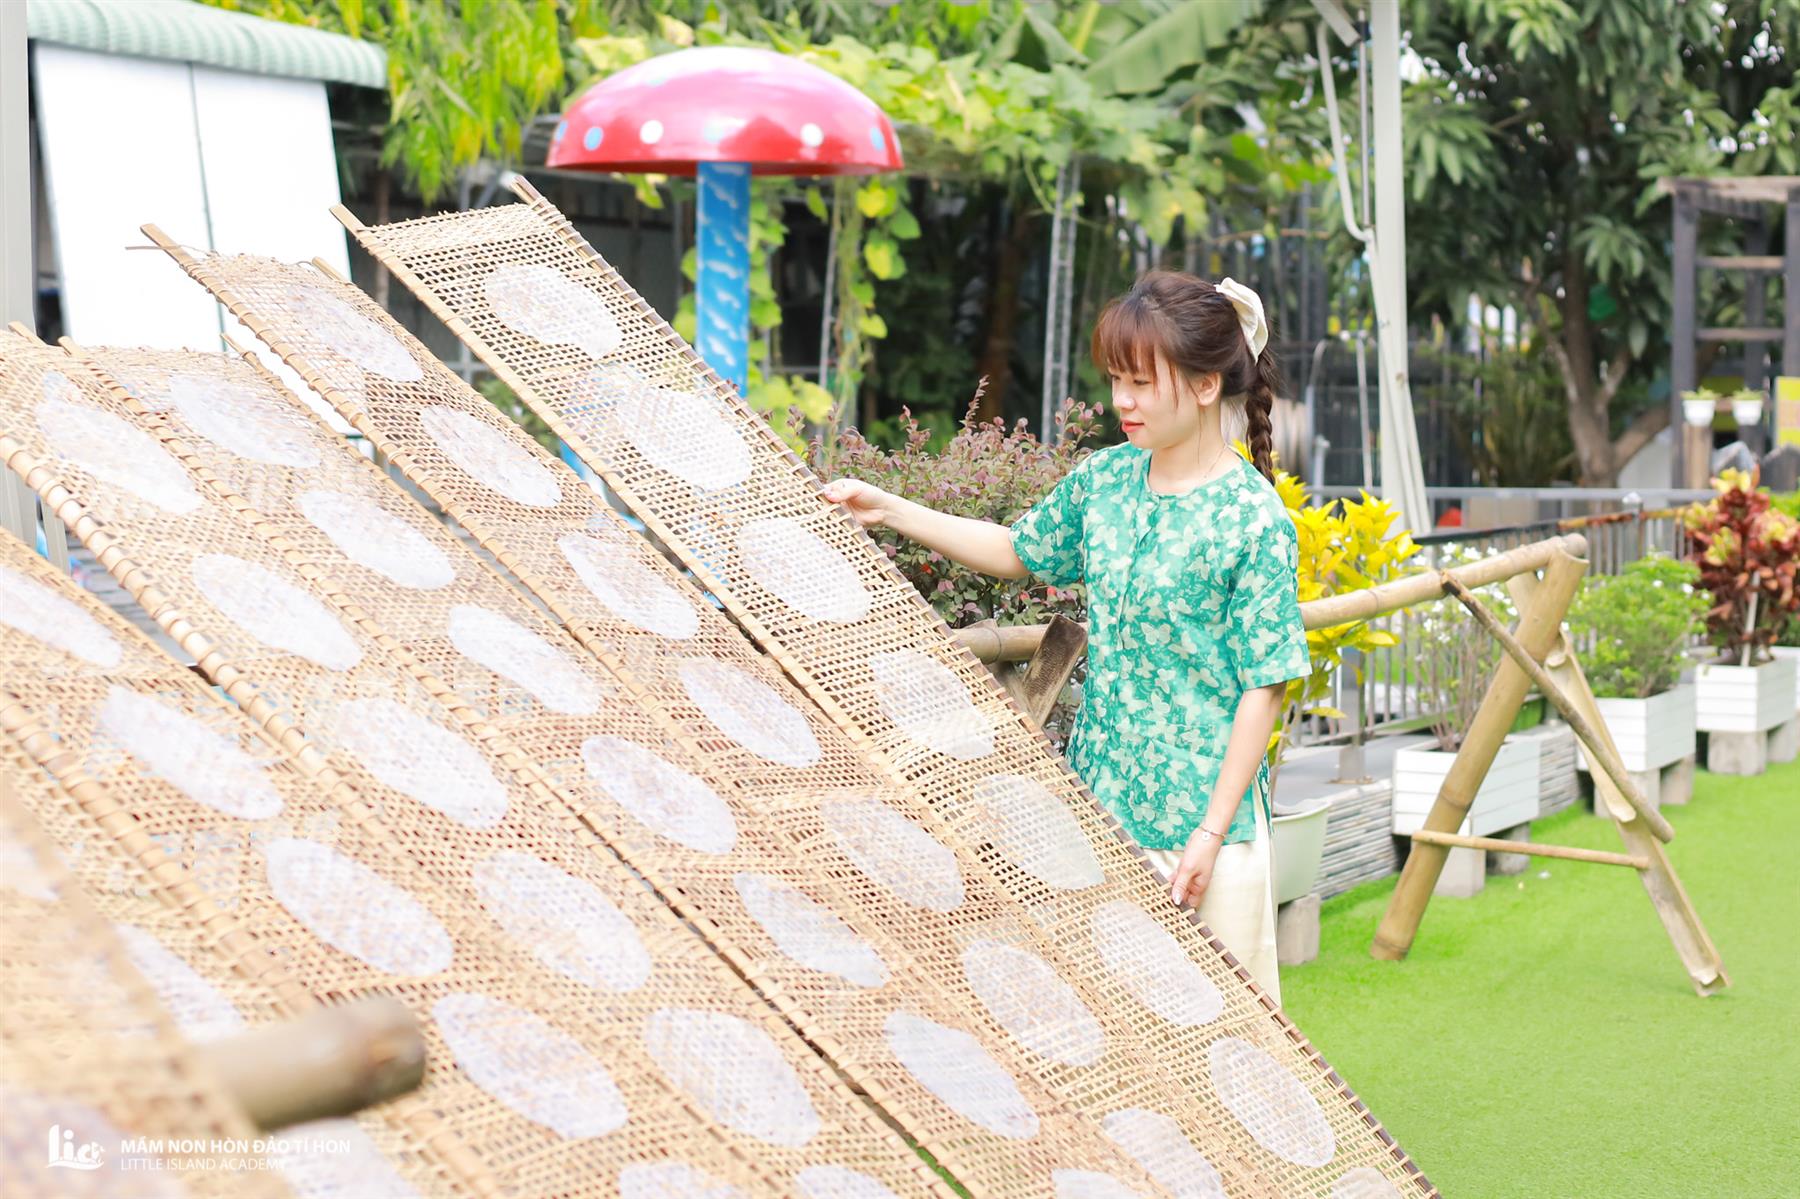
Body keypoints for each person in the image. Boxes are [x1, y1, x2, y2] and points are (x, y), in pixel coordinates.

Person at [823, 271, 1309, 1002]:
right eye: (1116, 379)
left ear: (1207, 385)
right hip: (1099, 812)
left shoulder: (1254, 518)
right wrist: (888, 507)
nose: (1122, 401)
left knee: (1217, 1033)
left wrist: (1209, 836)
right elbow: (1014, 549)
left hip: (1208, 834)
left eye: (1141, 382)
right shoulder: (1104, 481)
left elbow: (1263, 688)